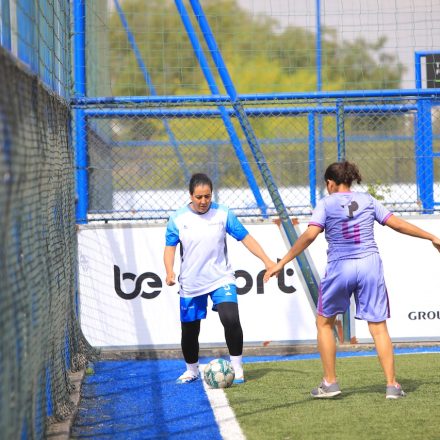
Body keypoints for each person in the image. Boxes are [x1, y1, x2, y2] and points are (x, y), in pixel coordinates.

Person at [264, 161, 440, 399]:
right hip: (369, 264)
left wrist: (282, 262)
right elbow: (397, 224)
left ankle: (330, 383)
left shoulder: (326, 203)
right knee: (378, 326)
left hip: (340, 266)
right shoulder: (368, 200)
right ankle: (392, 386)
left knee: (324, 323)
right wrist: (431, 237)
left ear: (330, 183)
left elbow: (310, 235)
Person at [164, 173, 275, 384]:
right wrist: (169, 271)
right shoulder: (177, 219)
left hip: (221, 278)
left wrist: (267, 261)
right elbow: (169, 248)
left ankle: (237, 368)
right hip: (191, 283)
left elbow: (246, 238)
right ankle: (191, 370)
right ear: (190, 195)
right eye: (199, 197)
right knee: (190, 330)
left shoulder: (223, 214)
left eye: (207, 196)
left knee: (230, 319)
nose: (203, 201)